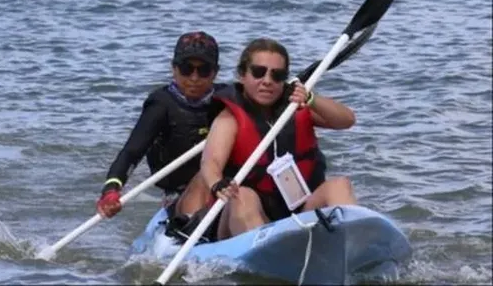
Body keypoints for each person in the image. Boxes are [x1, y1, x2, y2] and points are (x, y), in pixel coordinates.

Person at [201, 38, 358, 241]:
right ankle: (266, 253)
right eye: (258, 72)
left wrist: (311, 98)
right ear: (242, 75)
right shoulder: (228, 119)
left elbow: (346, 120)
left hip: (298, 212)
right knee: (242, 196)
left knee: (339, 185)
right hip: (247, 217)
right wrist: (217, 184)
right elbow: (210, 162)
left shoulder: (297, 106)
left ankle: (354, 246)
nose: (267, 80)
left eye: (277, 75)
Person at [96, 32, 232, 241]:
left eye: (203, 70)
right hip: (179, 198)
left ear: (215, 73)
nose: (194, 78)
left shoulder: (230, 98)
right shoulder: (161, 105)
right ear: (174, 69)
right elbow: (131, 153)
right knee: (206, 173)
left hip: (228, 189)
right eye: (186, 69)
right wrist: (111, 190)